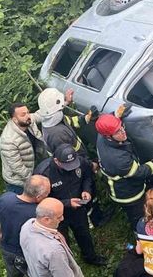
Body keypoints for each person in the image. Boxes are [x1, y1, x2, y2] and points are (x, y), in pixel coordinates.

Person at [37, 87, 111, 226]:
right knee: (85, 192)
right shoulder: (57, 135)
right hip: (75, 167)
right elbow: (70, 158)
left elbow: (71, 121)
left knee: (90, 189)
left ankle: (97, 212)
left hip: (78, 162)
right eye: (61, 106)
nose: (63, 108)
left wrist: (88, 117)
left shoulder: (53, 119)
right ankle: (94, 220)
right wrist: (89, 165)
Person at [95, 113, 153, 231]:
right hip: (129, 195)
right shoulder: (119, 160)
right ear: (109, 137)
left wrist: (116, 115)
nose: (123, 132)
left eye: (121, 127)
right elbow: (140, 172)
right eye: (118, 132)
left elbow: (108, 123)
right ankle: (140, 235)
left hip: (127, 185)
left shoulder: (102, 136)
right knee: (138, 218)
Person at [34, 144, 107, 266]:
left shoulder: (80, 162)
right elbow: (41, 200)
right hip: (55, 215)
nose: (71, 168)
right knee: (62, 241)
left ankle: (90, 257)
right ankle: (67, 264)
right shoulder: (43, 173)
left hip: (77, 209)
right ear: (56, 160)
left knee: (84, 234)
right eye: (67, 165)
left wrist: (86, 190)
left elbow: (87, 176)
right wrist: (67, 203)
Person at [0, 175, 51, 277]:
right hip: (27, 253)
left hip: (7, 249)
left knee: (13, 273)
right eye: (47, 193)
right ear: (38, 197)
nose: (48, 195)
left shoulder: (5, 198)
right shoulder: (38, 213)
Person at [20, 197, 84, 277]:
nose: (62, 218)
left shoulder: (27, 225)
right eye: (59, 217)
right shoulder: (54, 251)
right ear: (46, 219)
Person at [0, 102, 47, 194]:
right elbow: (18, 168)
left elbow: (42, 114)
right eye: (23, 114)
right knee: (26, 204)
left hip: (34, 167)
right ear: (14, 119)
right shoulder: (8, 140)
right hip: (18, 183)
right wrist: (35, 181)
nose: (28, 116)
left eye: (28, 112)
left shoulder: (28, 121)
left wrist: (64, 102)